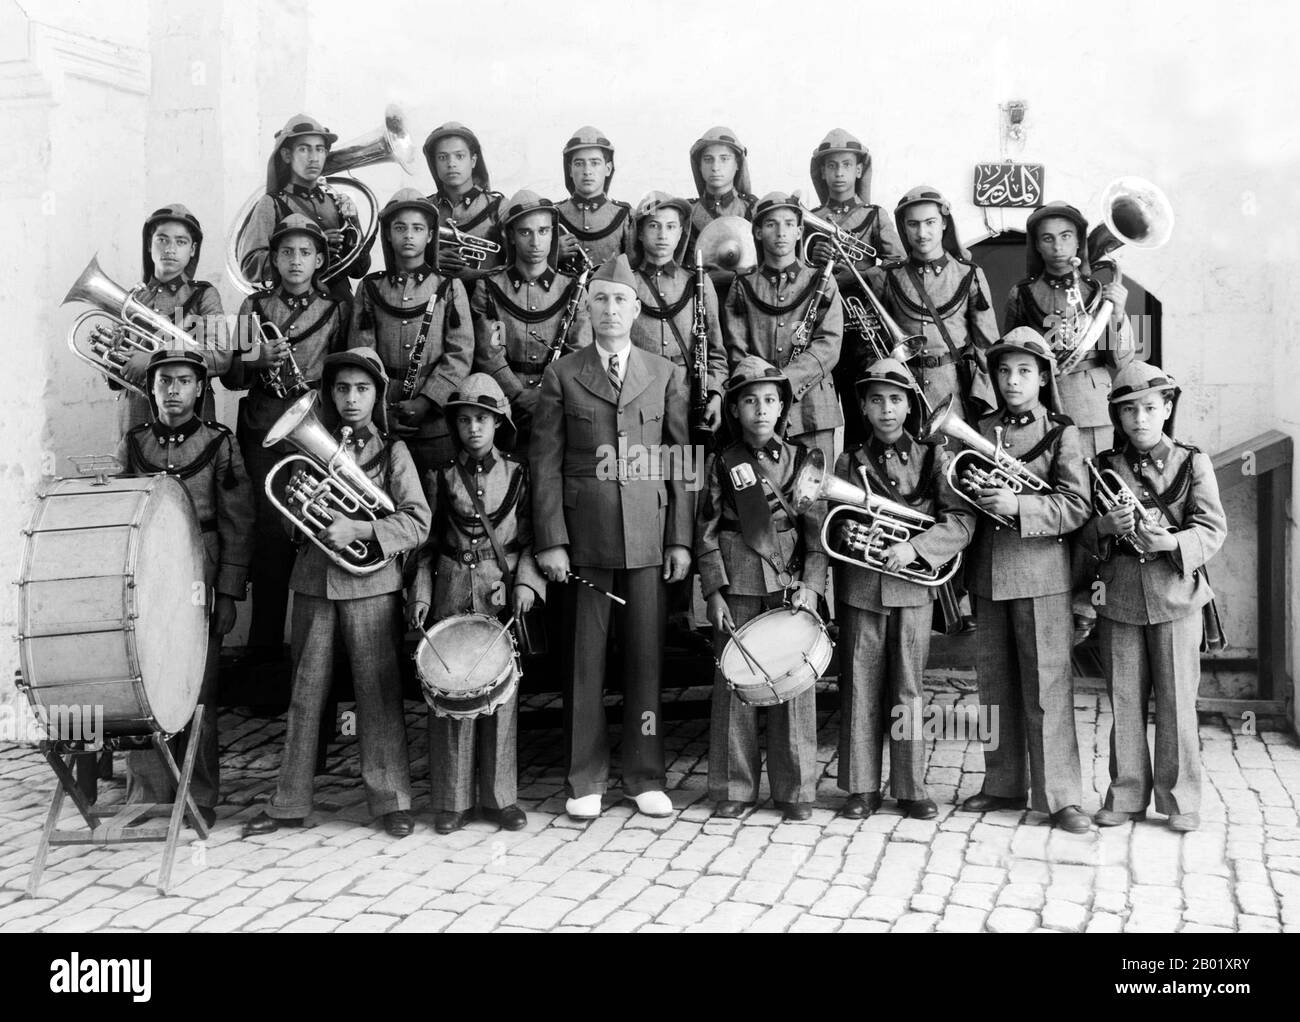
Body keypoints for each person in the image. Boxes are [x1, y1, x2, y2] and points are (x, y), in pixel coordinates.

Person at [242, 348, 430, 839]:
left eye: (362, 389)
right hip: (313, 583)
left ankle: (391, 800)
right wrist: (305, 515)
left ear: (376, 396)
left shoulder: (394, 453)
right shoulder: (306, 450)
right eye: (342, 389)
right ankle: (289, 802)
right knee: (305, 693)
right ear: (329, 394)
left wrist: (360, 529)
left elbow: (417, 522)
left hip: (372, 585)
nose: (351, 398)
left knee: (379, 692)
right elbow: (288, 520)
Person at [530, 255, 692, 822]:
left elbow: (679, 460)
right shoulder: (564, 373)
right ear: (587, 308)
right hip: (585, 538)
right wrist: (550, 539)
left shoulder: (664, 371)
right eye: (600, 299)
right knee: (585, 662)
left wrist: (680, 539)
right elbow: (544, 461)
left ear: (637, 309)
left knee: (646, 661)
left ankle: (645, 773)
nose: (610, 310)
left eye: (620, 300)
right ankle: (585, 777)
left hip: (649, 534)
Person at [1077, 364, 1227, 832]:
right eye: (1128, 411)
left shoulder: (1192, 461)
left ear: (1166, 409)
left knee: (1179, 701)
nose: (1139, 419)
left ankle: (1181, 801)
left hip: (1176, 598)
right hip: (1120, 599)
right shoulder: (1102, 466)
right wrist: (1105, 528)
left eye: (1148, 408)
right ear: (1117, 418)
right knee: (1123, 700)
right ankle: (1125, 796)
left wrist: (1171, 543)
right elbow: (1081, 534)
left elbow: (1212, 527)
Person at [957, 327, 1092, 832]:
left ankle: (1060, 797)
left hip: (1042, 574)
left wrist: (1020, 505)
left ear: (1042, 378)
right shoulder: (979, 427)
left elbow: (1078, 506)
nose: (1013, 381)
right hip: (988, 573)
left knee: (1047, 688)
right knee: (994, 685)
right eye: (1005, 371)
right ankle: (1002, 784)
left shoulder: (1062, 432)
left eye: (1024, 372)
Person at [827, 358, 974, 820]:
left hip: (912, 590)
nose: (886, 410)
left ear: (910, 405)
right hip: (862, 589)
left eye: (895, 399)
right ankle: (862, 787)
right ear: (864, 408)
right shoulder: (849, 461)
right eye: (876, 401)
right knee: (860, 685)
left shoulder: (936, 457)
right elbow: (835, 526)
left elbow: (962, 521)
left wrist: (916, 548)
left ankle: (911, 787)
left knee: (909, 688)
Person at [116, 350, 253, 828]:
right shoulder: (134, 443)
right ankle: (148, 793)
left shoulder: (221, 443)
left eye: (183, 382)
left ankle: (199, 794)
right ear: (150, 390)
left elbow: (239, 522)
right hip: (150, 577)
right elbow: (121, 515)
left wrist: (231, 591)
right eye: (163, 382)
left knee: (198, 686)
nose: (172, 391)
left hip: (201, 572)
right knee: (146, 680)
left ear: (200, 389)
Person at [407, 374, 545, 834]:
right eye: (464, 419)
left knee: (501, 694)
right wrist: (422, 595)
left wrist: (526, 585)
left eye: (483, 419)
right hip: (449, 590)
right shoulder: (440, 476)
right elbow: (424, 546)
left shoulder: (519, 474)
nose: (473, 428)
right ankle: (452, 800)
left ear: (499, 423)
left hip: (497, 592)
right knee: (451, 691)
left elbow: (530, 541)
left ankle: (500, 798)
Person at [695, 357, 827, 821]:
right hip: (739, 581)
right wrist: (713, 592)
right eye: (750, 400)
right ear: (734, 409)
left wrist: (812, 585)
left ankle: (795, 790)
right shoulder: (721, 462)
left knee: (795, 681)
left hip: (790, 581)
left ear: (782, 406)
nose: (761, 410)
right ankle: (734, 785)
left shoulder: (802, 461)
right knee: (736, 681)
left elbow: (817, 535)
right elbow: (706, 531)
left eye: (769, 399)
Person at [1004, 201, 1137, 644]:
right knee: (1053, 499)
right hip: (1046, 409)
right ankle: (1056, 601)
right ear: (1036, 246)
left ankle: (1091, 602)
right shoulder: (1022, 294)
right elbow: (1010, 356)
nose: (1057, 246)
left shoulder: (1103, 289)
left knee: (1097, 506)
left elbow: (1125, 362)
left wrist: (1118, 313)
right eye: (1046, 238)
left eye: (1065, 236)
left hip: (1094, 408)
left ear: (1079, 242)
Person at [221, 214, 351, 660]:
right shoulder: (253, 308)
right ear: (273, 259)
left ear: (320, 260)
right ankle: (263, 669)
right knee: (270, 544)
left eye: (305, 253)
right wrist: (255, 358)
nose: (296, 261)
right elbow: (231, 378)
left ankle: (317, 666)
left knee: (317, 536)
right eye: (287, 252)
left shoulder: (337, 309)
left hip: (315, 430)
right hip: (264, 434)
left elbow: (343, 375)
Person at [350, 188, 474, 476]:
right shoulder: (370, 288)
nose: (408, 235)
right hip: (385, 417)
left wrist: (427, 401)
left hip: (435, 420)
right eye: (400, 228)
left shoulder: (449, 286)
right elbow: (363, 358)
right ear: (388, 234)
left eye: (418, 228)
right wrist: (382, 413)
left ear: (430, 236)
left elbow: (461, 353)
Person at [724, 191, 844, 467]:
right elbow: (736, 347)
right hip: (760, 408)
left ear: (800, 230)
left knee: (816, 497)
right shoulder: (743, 286)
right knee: (767, 494)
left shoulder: (821, 280)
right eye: (771, 224)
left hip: (812, 407)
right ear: (756, 232)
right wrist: (765, 385)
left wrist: (786, 379)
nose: (781, 232)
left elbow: (829, 345)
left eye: (789, 224)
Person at [806, 130, 906, 450]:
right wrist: (812, 260)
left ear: (859, 170)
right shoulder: (810, 219)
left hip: (864, 333)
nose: (839, 174)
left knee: (865, 417)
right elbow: (796, 273)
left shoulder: (875, 215)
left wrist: (854, 275)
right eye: (831, 166)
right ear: (821, 172)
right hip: (822, 331)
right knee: (820, 415)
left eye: (846, 165)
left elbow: (896, 266)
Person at [471, 190, 591, 453]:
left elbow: (579, 353)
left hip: (558, 407)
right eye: (525, 232)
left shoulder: (573, 288)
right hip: (503, 409)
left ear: (553, 234)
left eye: (544, 231)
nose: (536, 242)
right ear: (510, 236)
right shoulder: (488, 287)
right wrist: (518, 396)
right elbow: (489, 353)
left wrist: (545, 395)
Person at [868, 186, 998, 421]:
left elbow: (987, 346)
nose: (922, 232)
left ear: (944, 224)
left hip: (955, 392)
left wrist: (984, 400)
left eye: (930, 222)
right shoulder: (887, 277)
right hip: (903, 392)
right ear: (903, 228)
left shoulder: (969, 274)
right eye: (913, 224)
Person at [104, 204, 228, 434]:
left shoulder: (204, 295)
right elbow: (115, 376)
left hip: (191, 419)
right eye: (162, 239)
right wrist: (113, 354)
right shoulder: (131, 298)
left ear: (193, 250)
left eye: (181, 242)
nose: (170, 248)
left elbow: (221, 356)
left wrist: (154, 359)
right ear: (149, 244)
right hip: (136, 416)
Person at [237, 114, 370, 299]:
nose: (314, 158)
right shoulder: (272, 203)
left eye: (320, 149)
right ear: (286, 155)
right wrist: (313, 249)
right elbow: (250, 266)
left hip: (341, 307)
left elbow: (359, 269)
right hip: (295, 310)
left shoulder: (335, 201)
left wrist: (354, 222)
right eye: (304, 149)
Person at [628, 190, 726, 434]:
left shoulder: (698, 283)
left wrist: (715, 394)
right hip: (636, 395)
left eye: (671, 227)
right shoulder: (626, 284)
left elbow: (716, 352)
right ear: (639, 233)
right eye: (654, 226)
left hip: (688, 397)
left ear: (681, 232)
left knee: (688, 470)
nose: (663, 235)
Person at [423, 122, 505, 279]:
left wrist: (474, 275)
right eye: (442, 157)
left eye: (459, 156)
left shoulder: (499, 207)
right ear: (434, 163)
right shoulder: (424, 208)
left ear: (473, 161)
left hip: (487, 300)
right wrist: (428, 260)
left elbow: (522, 265)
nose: (451, 163)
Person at [685, 126, 758, 297]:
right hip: (697, 299)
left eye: (724, 159)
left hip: (747, 301)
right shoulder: (686, 213)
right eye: (708, 159)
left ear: (738, 164)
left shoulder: (753, 210)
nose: (715, 167)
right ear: (699, 165)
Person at [554, 126, 634, 273]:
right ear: (570, 170)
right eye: (579, 163)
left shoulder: (625, 216)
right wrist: (552, 255)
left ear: (608, 169)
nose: (587, 171)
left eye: (595, 163)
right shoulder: (553, 215)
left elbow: (635, 271)